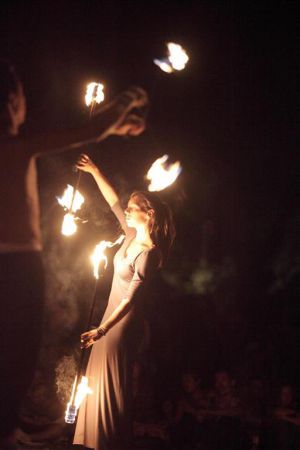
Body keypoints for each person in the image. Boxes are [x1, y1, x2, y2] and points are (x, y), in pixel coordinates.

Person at [0, 59, 147, 450]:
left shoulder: (17, 146)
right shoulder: (18, 145)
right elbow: (90, 129)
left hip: (17, 268)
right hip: (17, 267)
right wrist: (130, 99)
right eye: (22, 96)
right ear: (13, 101)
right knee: (15, 358)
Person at [73, 153, 175, 450]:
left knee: (110, 384)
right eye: (129, 209)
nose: (127, 212)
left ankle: (110, 443)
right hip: (108, 319)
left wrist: (102, 330)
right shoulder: (130, 235)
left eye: (134, 209)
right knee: (96, 379)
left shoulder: (149, 252)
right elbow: (113, 201)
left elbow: (131, 299)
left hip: (120, 325)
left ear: (149, 213)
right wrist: (93, 170)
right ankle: (93, 442)